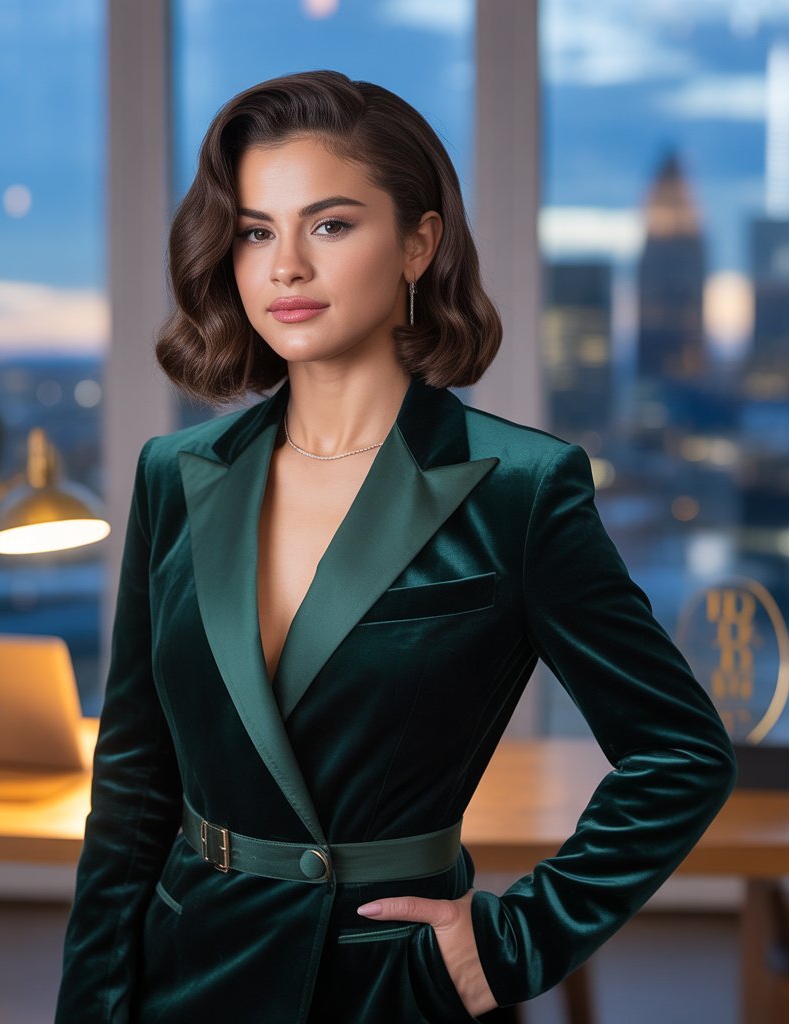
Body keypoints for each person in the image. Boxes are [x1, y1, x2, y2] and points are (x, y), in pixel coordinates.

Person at [54, 70, 737, 1023]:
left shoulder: (519, 488)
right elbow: (133, 785)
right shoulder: (177, 472)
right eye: (256, 231)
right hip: (187, 967)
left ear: (419, 242)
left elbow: (680, 751)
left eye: (329, 225)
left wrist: (510, 946)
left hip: (389, 982)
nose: (285, 265)